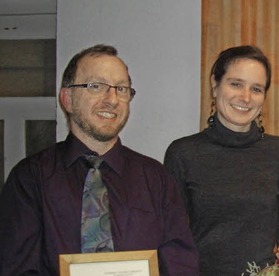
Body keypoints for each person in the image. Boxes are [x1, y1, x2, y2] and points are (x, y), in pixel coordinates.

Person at [0, 44, 198, 275]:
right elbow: (17, 268)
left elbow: (180, 264)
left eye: (122, 89)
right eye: (96, 86)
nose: (112, 99)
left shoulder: (157, 179)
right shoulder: (30, 178)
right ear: (67, 98)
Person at [164, 45, 279, 275]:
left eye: (256, 89)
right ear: (215, 86)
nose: (245, 97)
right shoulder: (183, 153)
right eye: (236, 84)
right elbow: (172, 240)